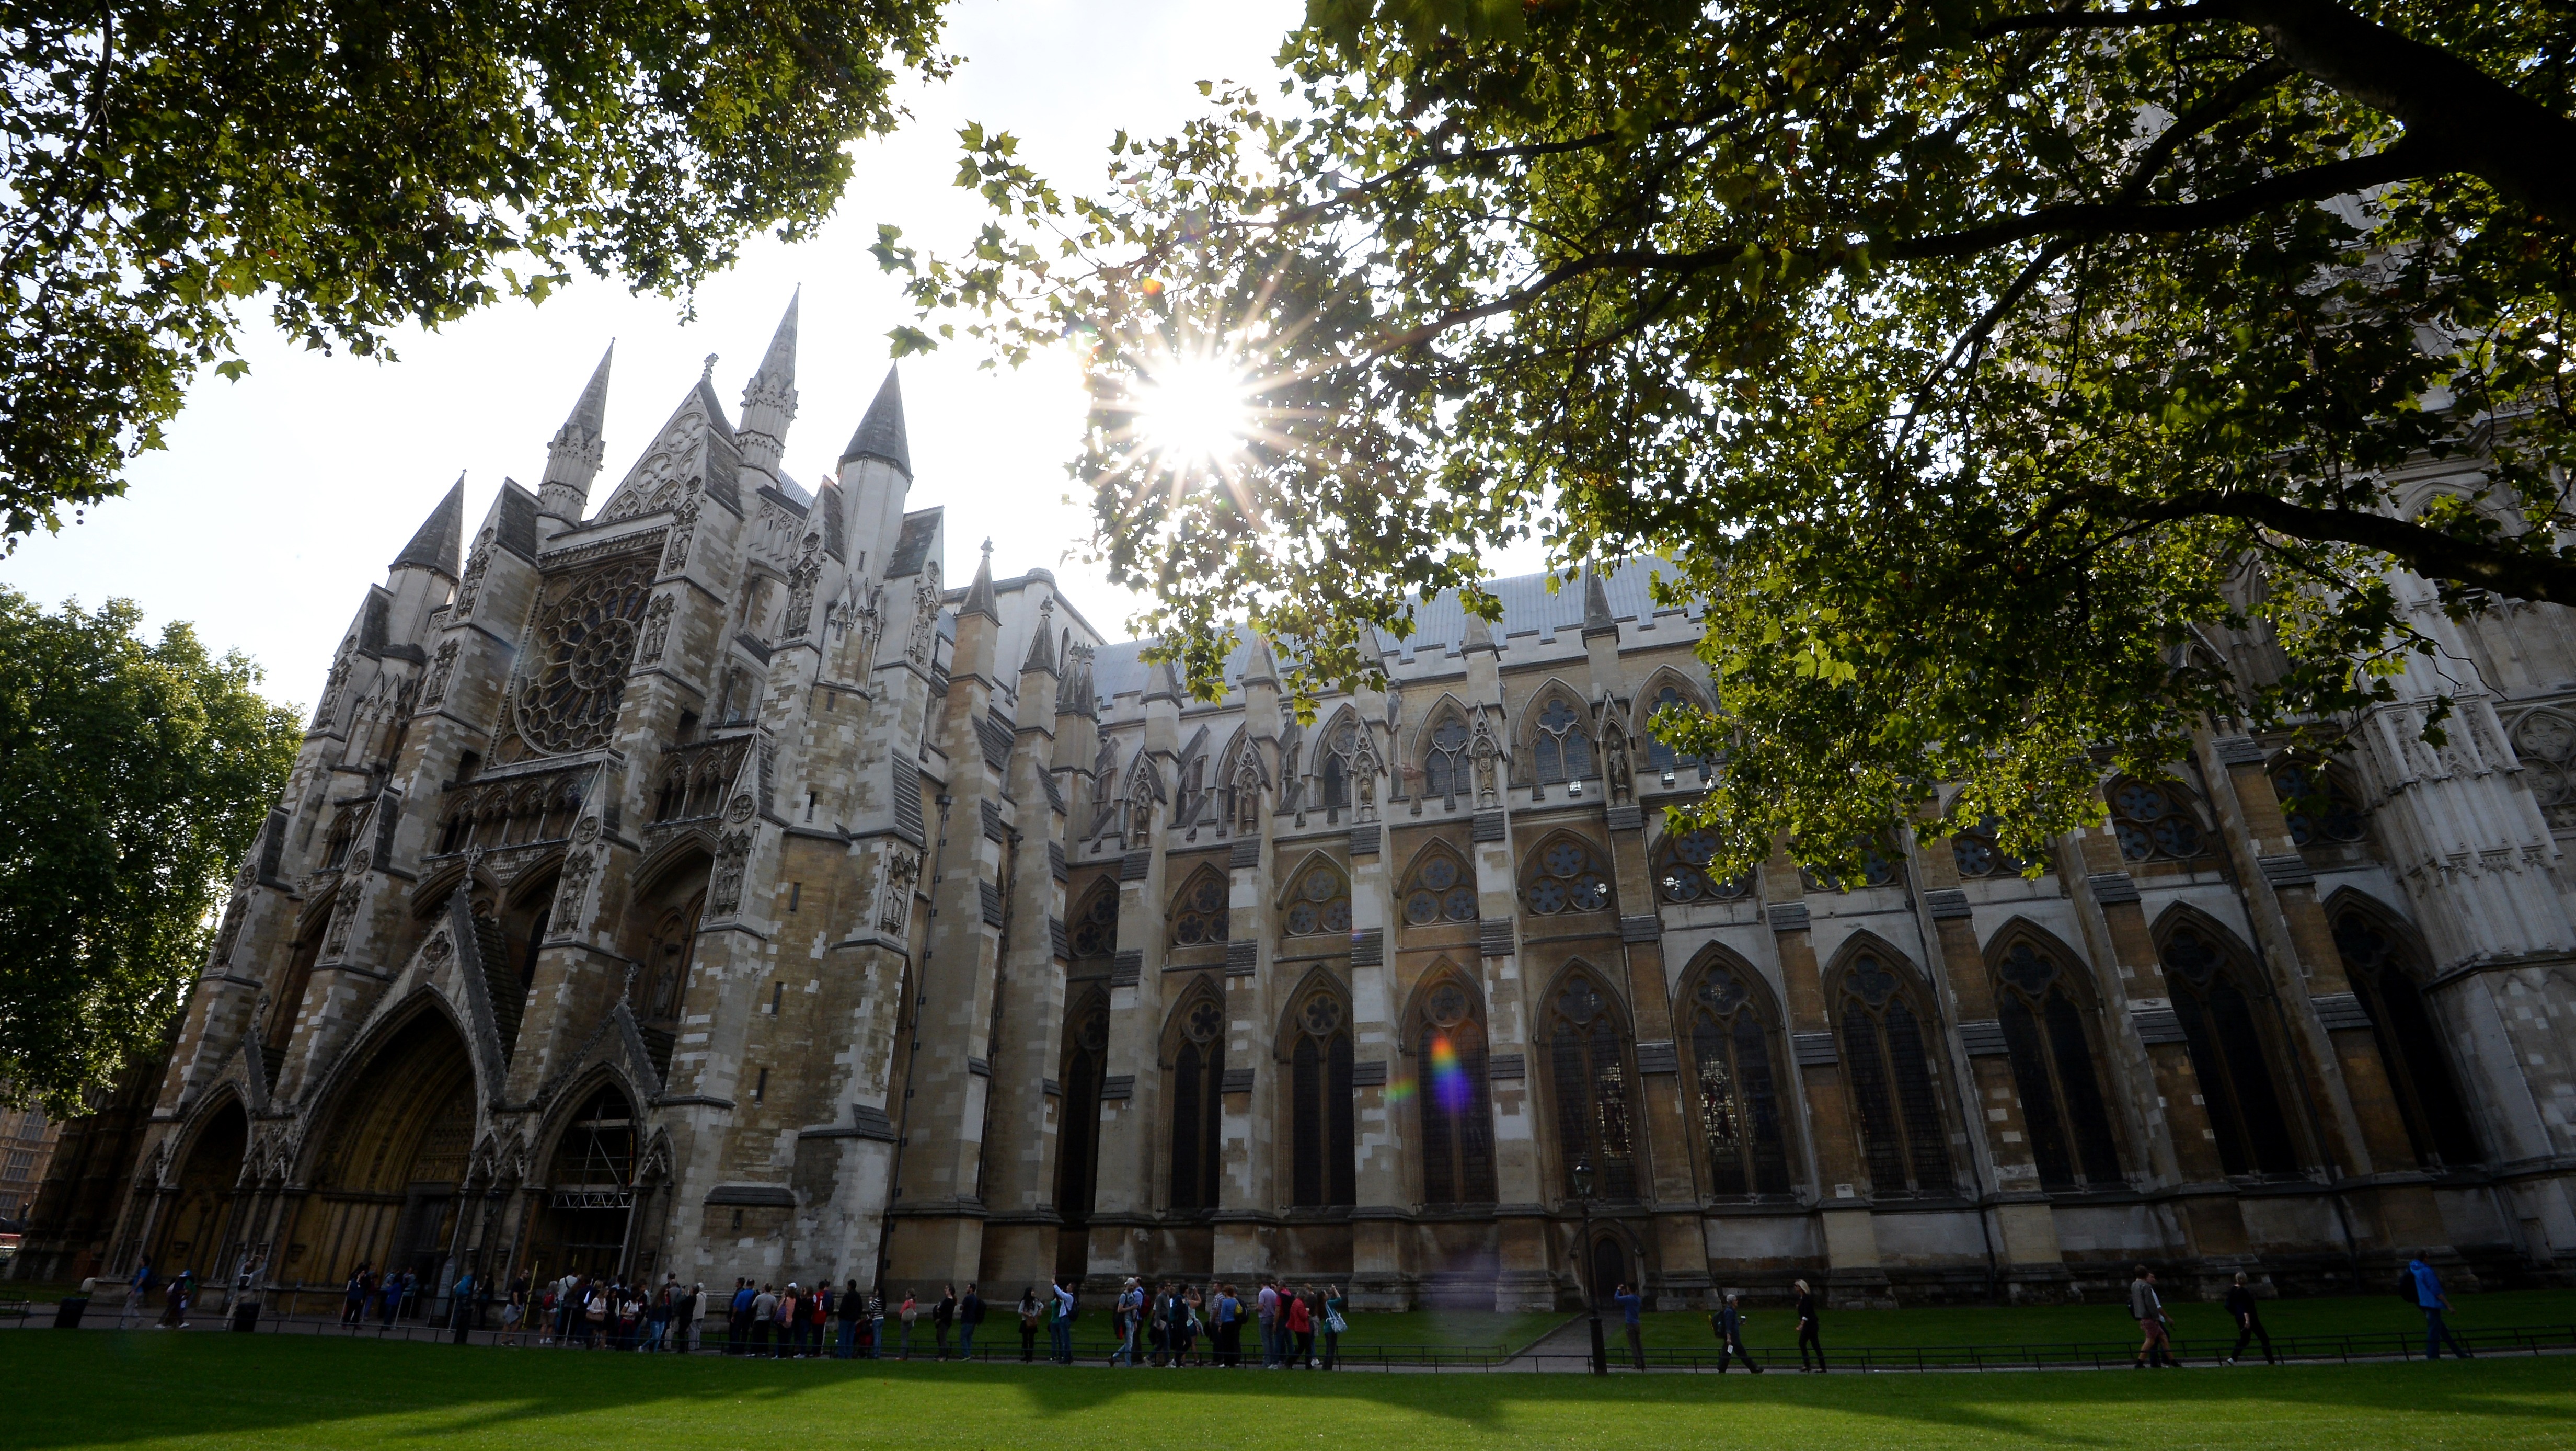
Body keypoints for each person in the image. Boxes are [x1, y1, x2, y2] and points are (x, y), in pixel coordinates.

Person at [2409, 1257, 2472, 1360]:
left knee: (2442, 1330)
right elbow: (2435, 1289)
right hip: (2432, 1303)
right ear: (2425, 1258)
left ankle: (2460, 1354)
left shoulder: (2412, 1269)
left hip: (2421, 1302)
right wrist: (2448, 1305)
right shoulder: (2426, 1271)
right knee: (2434, 1330)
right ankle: (2433, 1356)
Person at [2221, 1272, 2274, 1366]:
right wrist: (2248, 1321)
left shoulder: (2233, 1290)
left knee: (2245, 1339)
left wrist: (2236, 1314)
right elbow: (2247, 1308)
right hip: (2250, 1319)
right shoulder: (2244, 1292)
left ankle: (2233, 1358)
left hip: (2239, 1318)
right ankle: (2271, 1361)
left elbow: (2228, 1305)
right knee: (2264, 1338)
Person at [2130, 1266, 2178, 1369]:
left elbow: (2137, 1303)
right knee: (2150, 1341)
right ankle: (2139, 1363)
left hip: (2143, 1316)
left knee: (2164, 1337)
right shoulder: (2146, 1286)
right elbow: (2151, 1304)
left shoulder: (2134, 1285)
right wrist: (2156, 1318)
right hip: (2150, 1317)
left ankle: (2173, 1361)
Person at [1712, 1290, 1762, 1373]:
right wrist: (1729, 1337)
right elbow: (1728, 1325)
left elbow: (1732, 1324)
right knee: (1742, 1354)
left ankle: (1721, 1369)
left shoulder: (1730, 1311)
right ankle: (1754, 1369)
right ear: (1732, 1302)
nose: (1737, 1302)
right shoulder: (1730, 1312)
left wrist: (1740, 1323)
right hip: (1733, 1338)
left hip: (1732, 1337)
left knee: (1726, 1354)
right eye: (1736, 1300)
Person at [1792, 1278, 1825, 1373]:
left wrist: (1802, 1324)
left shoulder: (1807, 1298)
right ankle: (1818, 1366)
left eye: (1796, 1286)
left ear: (1801, 1287)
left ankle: (1810, 1365)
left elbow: (1807, 1313)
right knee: (1813, 1345)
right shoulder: (1802, 1298)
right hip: (1810, 1325)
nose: (1795, 1287)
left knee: (1804, 1343)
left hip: (1810, 1325)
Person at [1614, 1282, 1646, 1370]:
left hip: (1630, 1324)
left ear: (1629, 1289)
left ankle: (1638, 1364)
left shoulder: (1629, 1299)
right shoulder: (1637, 1299)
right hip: (1637, 1323)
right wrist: (1624, 1294)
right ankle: (1643, 1363)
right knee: (1639, 1344)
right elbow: (1627, 1301)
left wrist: (1618, 1290)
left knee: (1633, 1345)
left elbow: (1617, 1298)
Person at [1285, 1283, 1315, 1368]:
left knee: (1302, 1347)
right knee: (1307, 1347)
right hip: (1302, 1328)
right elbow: (1303, 1316)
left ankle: (1290, 1361)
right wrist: (1307, 1311)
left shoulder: (1296, 1302)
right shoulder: (1300, 1304)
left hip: (1298, 1327)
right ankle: (1307, 1365)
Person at [1256, 1276, 1281, 1369]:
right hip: (1272, 1317)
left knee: (1265, 1340)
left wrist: (1256, 1309)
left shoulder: (1262, 1293)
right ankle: (1272, 1359)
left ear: (1262, 1285)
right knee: (1271, 1340)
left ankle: (1267, 1360)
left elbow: (1261, 1307)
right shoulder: (1273, 1293)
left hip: (1264, 1317)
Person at [1051, 1276, 1077, 1364]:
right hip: (1065, 1319)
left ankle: (1067, 1357)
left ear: (1072, 1288)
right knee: (1066, 1338)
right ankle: (1068, 1356)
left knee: (1065, 1339)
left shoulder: (1069, 1297)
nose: (1067, 1287)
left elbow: (1060, 1294)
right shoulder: (1070, 1297)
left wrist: (1055, 1284)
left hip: (1064, 1319)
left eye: (1069, 1286)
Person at [126, 1259, 157, 1330]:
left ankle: (124, 1326)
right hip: (138, 1291)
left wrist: (134, 1290)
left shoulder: (144, 1270)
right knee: (131, 1307)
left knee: (127, 1308)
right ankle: (139, 1319)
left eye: (141, 1260)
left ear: (144, 1262)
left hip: (137, 1291)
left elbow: (141, 1280)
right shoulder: (144, 1270)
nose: (139, 1261)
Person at [1320, 1285, 1346, 1371]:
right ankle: (1329, 1367)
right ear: (1324, 1297)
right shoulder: (1329, 1304)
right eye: (1326, 1294)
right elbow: (1339, 1300)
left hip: (1327, 1329)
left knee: (1328, 1348)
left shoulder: (1323, 1305)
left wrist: (1332, 1292)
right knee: (1331, 1349)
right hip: (1332, 1328)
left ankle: (1325, 1367)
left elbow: (1331, 1299)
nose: (1327, 1295)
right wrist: (1335, 1290)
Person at [1215, 1283, 1241, 1367]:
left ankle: (1227, 1362)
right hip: (1233, 1323)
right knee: (1232, 1343)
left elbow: (1223, 1315)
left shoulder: (1225, 1302)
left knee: (1226, 1343)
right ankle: (1232, 1362)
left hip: (1226, 1323)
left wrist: (1220, 1325)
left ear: (1227, 1292)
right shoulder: (1235, 1301)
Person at [840, 1279, 866, 1359]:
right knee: (850, 1338)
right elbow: (860, 1308)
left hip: (845, 1319)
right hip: (853, 1320)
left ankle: (841, 1355)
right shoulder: (858, 1296)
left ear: (850, 1286)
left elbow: (843, 1308)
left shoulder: (847, 1296)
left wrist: (840, 1316)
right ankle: (849, 1354)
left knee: (843, 1337)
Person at [959, 1283, 985, 1361]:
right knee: (968, 1337)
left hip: (967, 1320)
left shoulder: (968, 1298)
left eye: (968, 1288)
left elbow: (962, 1307)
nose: (967, 1289)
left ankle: (966, 1354)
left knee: (963, 1337)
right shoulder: (974, 1298)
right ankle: (968, 1353)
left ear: (971, 1289)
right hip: (973, 1321)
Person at [728, 1278, 755, 1354]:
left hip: (740, 1314)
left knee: (736, 1331)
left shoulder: (741, 1294)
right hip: (749, 1315)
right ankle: (742, 1348)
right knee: (745, 1332)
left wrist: (733, 1315)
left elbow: (736, 1306)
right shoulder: (754, 1294)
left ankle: (735, 1348)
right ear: (753, 1285)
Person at [898, 1289, 919, 1359]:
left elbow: (902, 1310)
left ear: (909, 1294)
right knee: (906, 1338)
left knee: (904, 1339)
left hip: (905, 1321)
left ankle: (902, 1356)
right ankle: (906, 1356)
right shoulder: (914, 1302)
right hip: (910, 1322)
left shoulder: (907, 1302)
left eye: (907, 1293)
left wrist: (900, 1316)